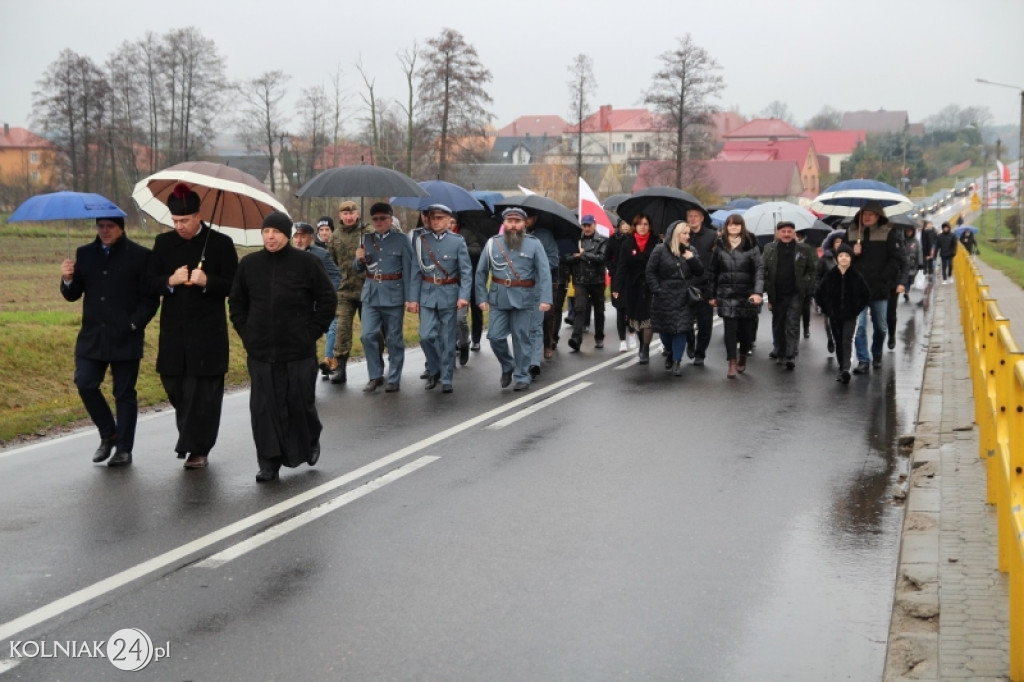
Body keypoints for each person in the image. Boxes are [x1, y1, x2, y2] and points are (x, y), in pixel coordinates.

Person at [229, 212, 337, 483]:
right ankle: (268, 462)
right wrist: (247, 333)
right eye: (266, 232)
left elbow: (327, 299)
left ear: (286, 235)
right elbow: (237, 303)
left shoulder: (307, 263)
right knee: (264, 408)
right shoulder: (249, 264)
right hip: (261, 351)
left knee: (299, 403)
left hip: (298, 351)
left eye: (276, 232)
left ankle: (310, 438)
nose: (270, 236)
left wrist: (311, 332)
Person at [148, 183, 238, 469]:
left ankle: (198, 449)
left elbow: (235, 286)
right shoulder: (163, 244)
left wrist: (208, 281)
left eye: (185, 220)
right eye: (175, 221)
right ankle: (193, 440)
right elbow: (149, 283)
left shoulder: (221, 244)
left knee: (204, 394)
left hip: (208, 334)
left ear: (198, 216)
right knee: (176, 388)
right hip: (174, 333)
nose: (180, 226)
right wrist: (169, 281)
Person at [60, 216, 159, 467]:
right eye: (100, 226)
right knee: (85, 382)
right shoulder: (84, 253)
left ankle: (124, 448)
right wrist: (68, 279)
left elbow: (150, 299)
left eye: (110, 226)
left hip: (125, 337)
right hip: (92, 337)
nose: (104, 231)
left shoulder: (139, 255)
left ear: (121, 228)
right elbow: (73, 295)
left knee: (124, 393)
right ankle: (109, 433)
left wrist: (134, 324)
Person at [475, 207, 552, 391]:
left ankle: (522, 375)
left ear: (524, 223)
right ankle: (508, 364)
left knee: (521, 337)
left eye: (517, 222)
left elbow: (544, 273)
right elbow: (481, 272)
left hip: (525, 298)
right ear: (504, 223)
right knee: (494, 337)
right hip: (498, 298)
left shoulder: (534, 244)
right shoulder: (493, 243)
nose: (513, 225)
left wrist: (545, 299)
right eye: (509, 221)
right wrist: (481, 297)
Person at [409, 204, 473, 393]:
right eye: (432, 218)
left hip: (449, 293)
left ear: (448, 220)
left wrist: (463, 296)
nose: (435, 221)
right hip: (427, 293)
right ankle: (435, 369)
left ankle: (446, 378)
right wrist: (413, 299)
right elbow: (415, 271)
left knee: (447, 338)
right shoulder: (421, 240)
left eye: (439, 218)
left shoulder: (457, 241)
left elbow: (466, 272)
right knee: (426, 336)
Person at [354, 202, 414, 393]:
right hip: (371, 294)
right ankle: (375, 375)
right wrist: (358, 259)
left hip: (394, 293)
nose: (379, 222)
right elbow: (357, 269)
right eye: (375, 219)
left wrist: (409, 297)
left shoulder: (401, 240)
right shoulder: (365, 239)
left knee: (394, 338)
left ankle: (394, 377)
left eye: (383, 218)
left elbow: (408, 269)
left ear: (390, 219)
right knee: (367, 335)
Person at [845, 201, 903, 375]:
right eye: (864, 214)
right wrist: (852, 254)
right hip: (857, 289)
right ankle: (863, 360)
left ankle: (877, 352)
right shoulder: (853, 233)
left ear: (878, 216)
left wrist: (884, 278)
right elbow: (842, 259)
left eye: (871, 214)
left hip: (879, 289)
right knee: (859, 326)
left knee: (881, 327)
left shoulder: (887, 234)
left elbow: (896, 259)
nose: (867, 217)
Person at [707, 214, 764, 378]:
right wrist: (711, 295)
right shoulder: (719, 245)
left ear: (742, 226)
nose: (733, 228)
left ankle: (743, 356)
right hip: (726, 294)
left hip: (747, 295)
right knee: (730, 330)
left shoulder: (751, 243)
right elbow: (713, 272)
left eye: (737, 225)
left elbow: (759, 269)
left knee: (746, 333)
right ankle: (732, 362)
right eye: (730, 225)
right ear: (726, 227)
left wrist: (758, 292)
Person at [645, 220, 704, 377]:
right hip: (663, 297)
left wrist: (691, 258)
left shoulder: (691, 250)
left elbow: (700, 271)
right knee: (665, 331)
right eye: (684, 233)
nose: (688, 236)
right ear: (675, 235)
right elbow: (650, 272)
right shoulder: (659, 250)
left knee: (681, 329)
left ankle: (677, 361)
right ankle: (670, 351)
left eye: (688, 233)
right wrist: (657, 289)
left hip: (684, 297)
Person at [762, 220, 816, 370]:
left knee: (792, 323)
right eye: (783, 231)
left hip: (795, 292)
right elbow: (762, 267)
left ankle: (790, 355)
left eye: (789, 231)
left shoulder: (803, 249)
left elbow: (812, 270)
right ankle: (780, 350)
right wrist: (764, 285)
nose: (786, 234)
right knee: (778, 323)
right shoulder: (769, 248)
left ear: (794, 233)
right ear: (778, 233)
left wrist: (805, 284)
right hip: (777, 292)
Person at [815, 243, 872, 384]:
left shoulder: (856, 275)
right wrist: (827, 309)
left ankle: (846, 368)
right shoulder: (831, 275)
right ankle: (841, 367)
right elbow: (819, 294)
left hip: (850, 315)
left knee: (847, 339)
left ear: (851, 258)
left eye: (847, 256)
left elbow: (866, 294)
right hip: (834, 315)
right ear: (837, 258)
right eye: (841, 256)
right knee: (838, 340)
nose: (844, 258)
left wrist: (856, 309)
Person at [327, 200, 370, 384]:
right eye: (345, 214)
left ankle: (376, 368)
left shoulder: (367, 233)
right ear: (340, 216)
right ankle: (340, 368)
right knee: (342, 330)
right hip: (344, 291)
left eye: (352, 213)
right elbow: (332, 262)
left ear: (358, 214)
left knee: (370, 333)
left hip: (367, 288)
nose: (349, 217)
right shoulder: (335, 236)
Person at [293, 222, 343, 372]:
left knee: (331, 327)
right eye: (296, 236)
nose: (299, 240)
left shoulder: (321, 254)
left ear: (311, 238)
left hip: (320, 304)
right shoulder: (288, 254)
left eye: (303, 236)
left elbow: (336, 276)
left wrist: (325, 294)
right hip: (297, 306)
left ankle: (328, 359)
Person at [612, 213, 658, 363]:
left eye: (645, 224)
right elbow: (622, 267)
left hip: (651, 285)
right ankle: (641, 344)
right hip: (633, 286)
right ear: (635, 226)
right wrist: (616, 287)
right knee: (637, 320)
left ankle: (645, 348)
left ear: (649, 226)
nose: (642, 227)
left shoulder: (656, 241)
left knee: (648, 319)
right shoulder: (628, 243)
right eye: (639, 224)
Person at [566, 214, 608, 352]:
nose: (586, 228)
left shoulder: (602, 240)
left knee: (599, 310)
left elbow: (601, 258)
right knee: (579, 309)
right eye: (584, 225)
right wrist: (574, 256)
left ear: (594, 224)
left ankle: (599, 336)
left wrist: (583, 255)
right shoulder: (576, 240)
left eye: (589, 225)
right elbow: (567, 258)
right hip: (580, 280)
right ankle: (576, 338)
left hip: (597, 280)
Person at [683, 207, 716, 365]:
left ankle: (700, 353)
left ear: (702, 218)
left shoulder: (712, 236)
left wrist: (713, 284)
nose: (693, 218)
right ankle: (690, 343)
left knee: (705, 324)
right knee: (686, 321)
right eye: (690, 216)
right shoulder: (682, 235)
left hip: (704, 286)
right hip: (686, 285)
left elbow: (716, 261)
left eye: (696, 216)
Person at [606, 219, 635, 352]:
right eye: (623, 224)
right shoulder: (612, 240)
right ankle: (622, 340)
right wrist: (612, 270)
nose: (625, 226)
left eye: (627, 224)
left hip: (631, 278)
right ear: (618, 226)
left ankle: (632, 333)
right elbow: (606, 257)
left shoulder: (634, 239)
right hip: (618, 279)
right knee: (620, 309)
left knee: (631, 308)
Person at [816, 230, 846, 354]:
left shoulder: (850, 258)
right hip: (829, 294)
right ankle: (830, 339)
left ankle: (841, 342)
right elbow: (818, 276)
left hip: (845, 294)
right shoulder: (825, 258)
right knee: (829, 320)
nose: (839, 244)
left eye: (841, 242)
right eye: (837, 242)